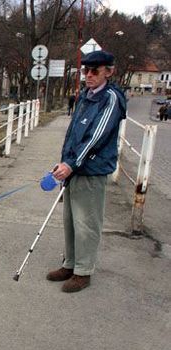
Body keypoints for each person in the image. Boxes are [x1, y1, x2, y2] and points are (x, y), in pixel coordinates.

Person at [47, 50, 127, 293]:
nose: (89, 75)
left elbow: (97, 137)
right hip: (74, 170)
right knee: (70, 221)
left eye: (95, 71)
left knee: (87, 223)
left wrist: (72, 164)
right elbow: (73, 135)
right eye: (86, 71)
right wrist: (64, 163)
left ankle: (83, 271)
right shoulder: (85, 96)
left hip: (91, 171)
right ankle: (70, 264)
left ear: (108, 72)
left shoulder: (110, 98)